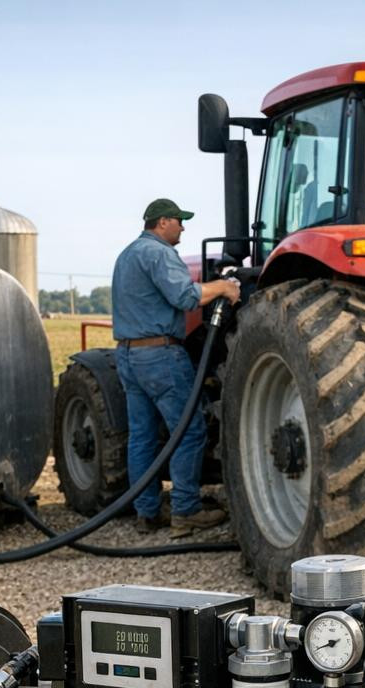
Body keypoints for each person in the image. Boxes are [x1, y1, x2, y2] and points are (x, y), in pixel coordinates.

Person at [110, 198, 241, 536]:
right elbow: (185, 298)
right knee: (189, 430)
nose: (183, 227)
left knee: (142, 436)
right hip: (160, 356)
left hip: (128, 355)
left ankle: (147, 512)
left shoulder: (127, 255)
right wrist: (224, 287)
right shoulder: (160, 254)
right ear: (163, 222)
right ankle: (185, 511)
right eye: (179, 221)